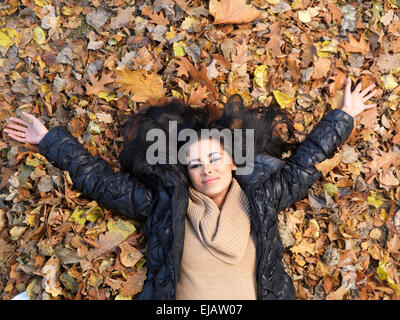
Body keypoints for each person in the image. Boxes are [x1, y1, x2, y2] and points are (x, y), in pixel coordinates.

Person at [3, 78, 377, 300]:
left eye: (214, 159)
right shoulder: (164, 203)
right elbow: (101, 182)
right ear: (186, 172)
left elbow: (305, 162)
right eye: (195, 164)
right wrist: (50, 139)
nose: (206, 169)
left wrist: (343, 116)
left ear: (233, 162)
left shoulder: (261, 198)